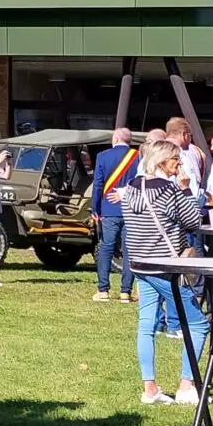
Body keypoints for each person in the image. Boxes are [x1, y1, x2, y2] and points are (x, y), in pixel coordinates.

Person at [121, 140, 209, 406]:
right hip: (165, 266)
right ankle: (187, 385)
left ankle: (150, 388)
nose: (179, 165)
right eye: (175, 160)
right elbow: (194, 220)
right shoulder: (170, 191)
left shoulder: (131, 188)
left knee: (146, 324)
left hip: (140, 264)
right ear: (161, 163)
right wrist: (187, 191)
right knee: (198, 324)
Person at [90, 127, 143, 303]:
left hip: (109, 209)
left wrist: (95, 209)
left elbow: (98, 185)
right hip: (132, 209)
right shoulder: (138, 156)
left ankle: (103, 290)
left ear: (116, 138)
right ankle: (125, 292)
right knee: (129, 251)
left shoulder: (102, 156)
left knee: (106, 248)